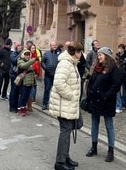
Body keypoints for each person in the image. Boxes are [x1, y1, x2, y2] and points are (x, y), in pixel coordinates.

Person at [49, 41, 84, 170]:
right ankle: (60, 162)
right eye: (80, 52)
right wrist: (71, 96)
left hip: (68, 105)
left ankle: (65, 157)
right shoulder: (65, 63)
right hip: (64, 104)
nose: (81, 54)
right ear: (75, 52)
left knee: (72, 128)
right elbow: (59, 83)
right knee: (65, 132)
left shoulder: (71, 63)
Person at [84, 47, 122, 162]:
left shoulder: (114, 69)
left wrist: (106, 96)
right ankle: (94, 147)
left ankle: (111, 151)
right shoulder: (96, 67)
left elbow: (116, 86)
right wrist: (89, 94)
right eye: (98, 55)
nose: (98, 57)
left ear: (107, 56)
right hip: (95, 100)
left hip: (107, 101)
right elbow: (91, 82)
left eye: (101, 55)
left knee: (109, 125)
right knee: (94, 124)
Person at [16, 49, 38, 116]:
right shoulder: (20, 61)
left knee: (26, 97)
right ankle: (19, 110)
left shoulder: (30, 62)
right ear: (23, 55)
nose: (27, 56)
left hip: (30, 82)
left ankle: (23, 108)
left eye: (28, 55)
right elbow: (24, 66)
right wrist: (33, 60)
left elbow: (32, 73)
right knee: (22, 96)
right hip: (23, 82)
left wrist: (34, 82)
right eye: (26, 54)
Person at [41, 41, 60, 110]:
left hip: (57, 75)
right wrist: (45, 68)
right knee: (47, 89)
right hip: (48, 75)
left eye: (55, 45)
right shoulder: (47, 53)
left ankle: (54, 105)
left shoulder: (59, 54)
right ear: (50, 46)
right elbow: (42, 61)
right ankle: (45, 104)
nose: (54, 46)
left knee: (56, 91)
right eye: (53, 45)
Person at [8, 41, 23, 112]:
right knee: (13, 91)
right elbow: (14, 61)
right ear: (16, 47)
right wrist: (20, 54)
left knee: (18, 91)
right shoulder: (13, 53)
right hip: (14, 74)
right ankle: (12, 107)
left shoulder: (19, 54)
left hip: (19, 75)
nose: (20, 47)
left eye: (21, 46)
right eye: (19, 46)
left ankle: (16, 106)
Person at [115, 44, 126, 113]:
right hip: (118, 75)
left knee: (124, 90)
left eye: (121, 48)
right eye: (119, 48)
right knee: (117, 90)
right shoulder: (117, 55)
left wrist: (125, 74)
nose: (120, 50)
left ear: (123, 49)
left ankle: (123, 103)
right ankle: (118, 104)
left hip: (124, 75)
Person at [28, 43, 41, 112]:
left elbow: (38, 66)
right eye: (32, 48)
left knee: (33, 90)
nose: (33, 49)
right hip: (27, 75)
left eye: (34, 48)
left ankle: (30, 105)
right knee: (27, 90)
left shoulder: (36, 56)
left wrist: (37, 74)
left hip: (34, 75)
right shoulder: (28, 55)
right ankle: (26, 104)